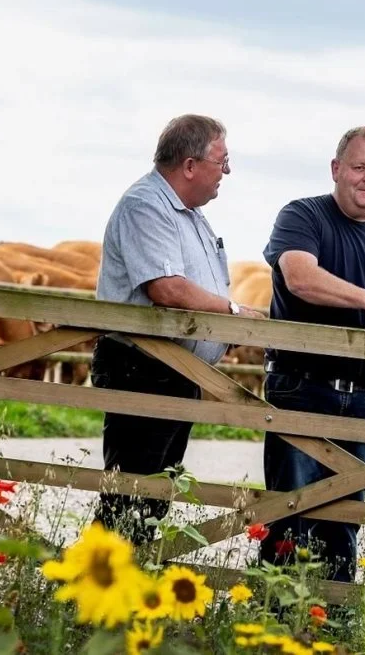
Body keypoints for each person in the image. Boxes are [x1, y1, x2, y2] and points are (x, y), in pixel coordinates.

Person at [258, 126, 365, 582]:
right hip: (300, 385)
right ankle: (274, 619)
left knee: (347, 514)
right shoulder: (302, 216)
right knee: (290, 508)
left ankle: (334, 622)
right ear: (336, 169)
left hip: (364, 396)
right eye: (359, 167)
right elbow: (300, 278)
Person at [92, 113, 264, 546]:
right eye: (222, 162)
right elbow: (167, 288)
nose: (226, 172)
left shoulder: (187, 214)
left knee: (154, 494)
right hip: (144, 367)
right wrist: (232, 310)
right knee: (132, 491)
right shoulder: (146, 206)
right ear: (190, 165)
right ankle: (97, 585)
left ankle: (126, 582)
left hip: (175, 369)